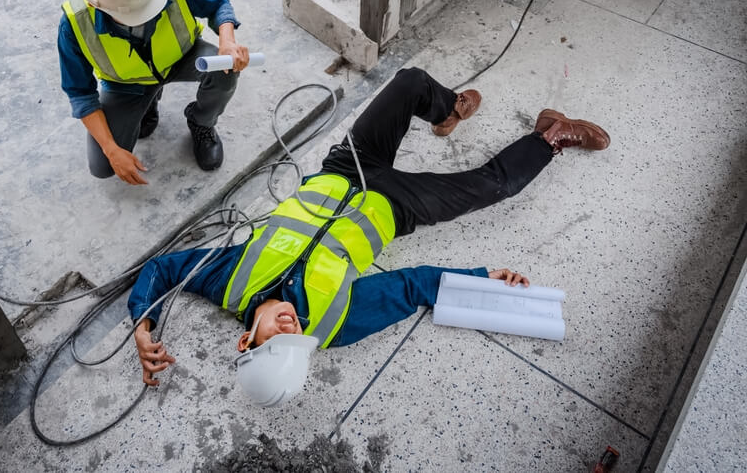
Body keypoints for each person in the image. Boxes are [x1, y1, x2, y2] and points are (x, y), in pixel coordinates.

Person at [128, 67, 610, 406]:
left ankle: (448, 109)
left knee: (410, 81)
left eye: (277, 339)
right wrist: (483, 277)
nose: (293, 331)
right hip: (397, 205)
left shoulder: (227, 281)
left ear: (245, 342)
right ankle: (550, 135)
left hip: (347, 166)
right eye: (296, 345)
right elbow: (413, 287)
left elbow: (162, 269)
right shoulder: (335, 326)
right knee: (493, 186)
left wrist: (141, 327)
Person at [58, 0, 250, 181]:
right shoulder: (74, 25)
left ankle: (202, 123)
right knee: (103, 166)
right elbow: (80, 93)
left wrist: (228, 41)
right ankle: (147, 103)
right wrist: (111, 148)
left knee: (225, 70)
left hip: (184, 57)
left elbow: (217, 3)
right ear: (92, 1)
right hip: (127, 85)